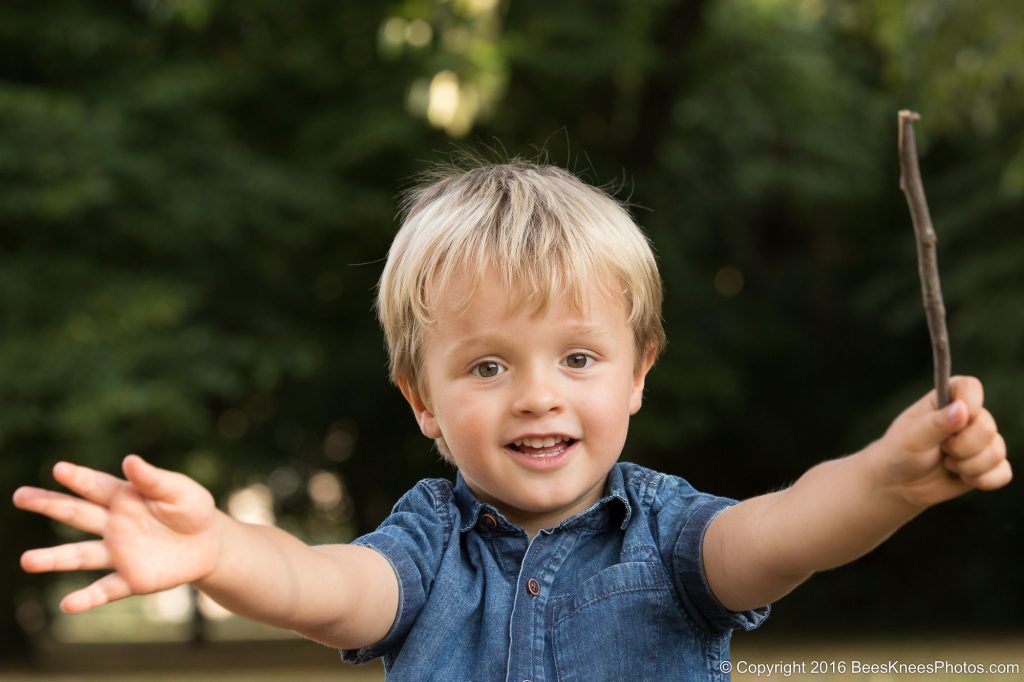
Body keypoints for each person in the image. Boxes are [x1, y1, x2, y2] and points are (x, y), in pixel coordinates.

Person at [13, 160, 1012, 681]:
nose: (538, 393)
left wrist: (887, 478)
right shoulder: (425, 541)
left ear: (637, 375)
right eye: (488, 365)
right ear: (422, 403)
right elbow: (329, 590)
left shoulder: (669, 535)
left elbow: (782, 529)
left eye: (577, 358)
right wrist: (223, 548)